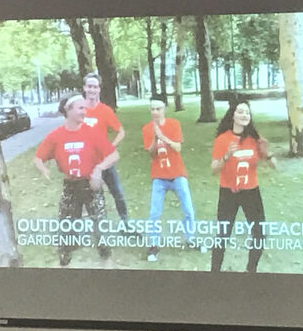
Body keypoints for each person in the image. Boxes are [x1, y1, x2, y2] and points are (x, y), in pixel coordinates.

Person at [33, 94, 119, 266]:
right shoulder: (55, 136)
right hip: (70, 185)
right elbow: (38, 158)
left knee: (100, 223)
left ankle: (106, 259)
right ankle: (65, 261)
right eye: (80, 108)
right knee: (66, 225)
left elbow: (114, 154)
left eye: (84, 108)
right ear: (68, 110)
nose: (84, 111)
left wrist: (98, 169)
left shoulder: (91, 132)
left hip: (90, 185)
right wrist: (44, 170)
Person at [210, 98, 276, 273]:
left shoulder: (255, 139)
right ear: (232, 115)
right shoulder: (222, 139)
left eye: (247, 112)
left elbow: (274, 165)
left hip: (251, 192)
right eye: (240, 112)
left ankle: (250, 270)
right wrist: (227, 156)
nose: (244, 115)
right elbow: (213, 170)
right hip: (228, 193)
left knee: (259, 234)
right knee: (223, 234)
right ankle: (214, 272)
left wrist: (267, 153)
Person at [141, 93, 202, 262]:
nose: (155, 112)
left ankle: (190, 239)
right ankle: (153, 245)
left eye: (158, 109)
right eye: (152, 109)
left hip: (177, 174)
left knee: (188, 210)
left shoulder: (174, 124)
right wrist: (154, 138)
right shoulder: (147, 128)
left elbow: (178, 148)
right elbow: (151, 153)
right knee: (154, 213)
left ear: (164, 109)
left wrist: (163, 138)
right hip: (159, 177)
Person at [82, 72, 130, 223]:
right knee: (94, 197)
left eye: (95, 87)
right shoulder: (78, 109)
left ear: (99, 90)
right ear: (84, 88)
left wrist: (111, 146)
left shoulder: (105, 110)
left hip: (105, 162)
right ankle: (99, 230)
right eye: (89, 86)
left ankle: (126, 225)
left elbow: (121, 132)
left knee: (118, 193)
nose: (92, 90)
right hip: (87, 163)